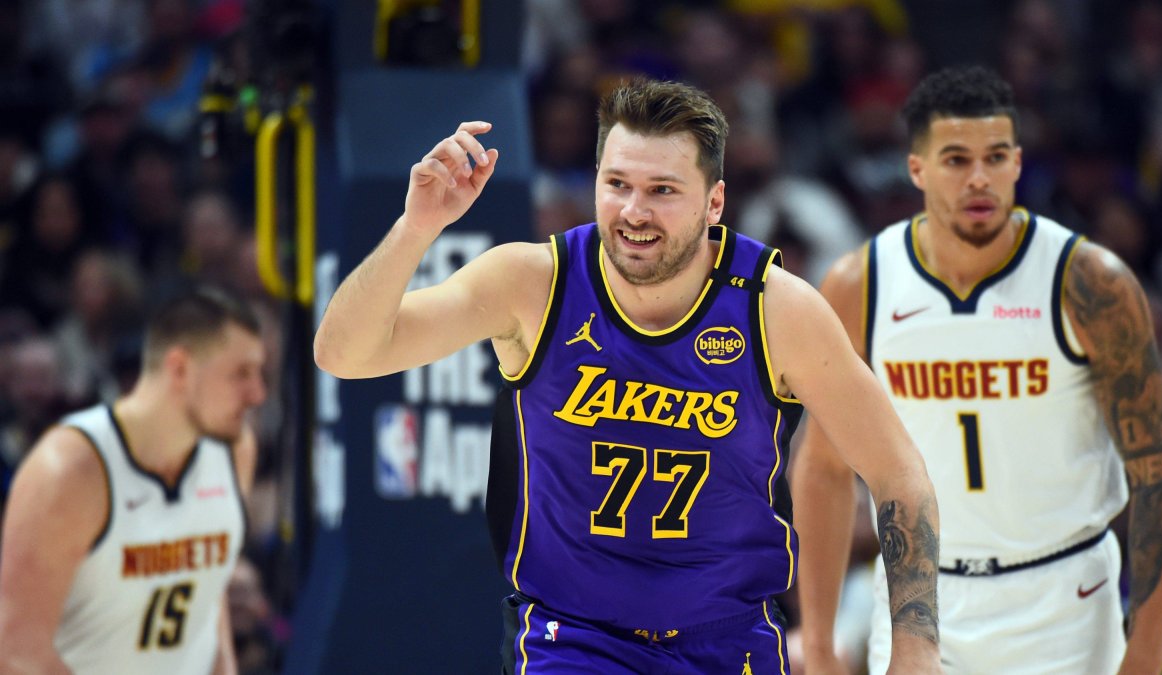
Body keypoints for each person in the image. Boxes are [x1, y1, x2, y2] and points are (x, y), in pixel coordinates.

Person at [313, 77, 942, 673]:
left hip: (729, 638)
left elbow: (898, 471)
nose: (634, 212)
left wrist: (915, 649)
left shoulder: (776, 308)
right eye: (617, 184)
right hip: (574, 637)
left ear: (714, 201)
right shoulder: (533, 283)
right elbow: (345, 354)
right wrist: (416, 227)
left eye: (663, 191)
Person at [792, 65, 1162, 674]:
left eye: (996, 156)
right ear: (917, 168)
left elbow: (1157, 470)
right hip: (916, 602)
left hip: (1066, 602)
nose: (979, 178)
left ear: (1018, 163)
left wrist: (1143, 651)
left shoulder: (1089, 283)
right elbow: (821, 469)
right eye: (955, 159)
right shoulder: (861, 284)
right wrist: (817, 641)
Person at [0, 286, 267, 674]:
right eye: (239, 374)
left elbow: (210, 597)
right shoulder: (70, 469)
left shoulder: (234, 450)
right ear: (179, 369)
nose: (257, 393)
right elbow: (16, 650)